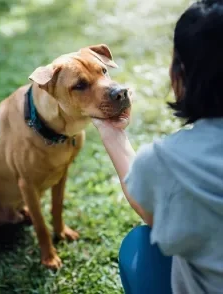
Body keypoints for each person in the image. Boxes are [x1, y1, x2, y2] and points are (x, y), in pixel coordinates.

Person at [92, 1, 223, 293]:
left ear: (180, 73)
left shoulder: (169, 161)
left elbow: (149, 211)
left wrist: (111, 134)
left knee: (141, 248)